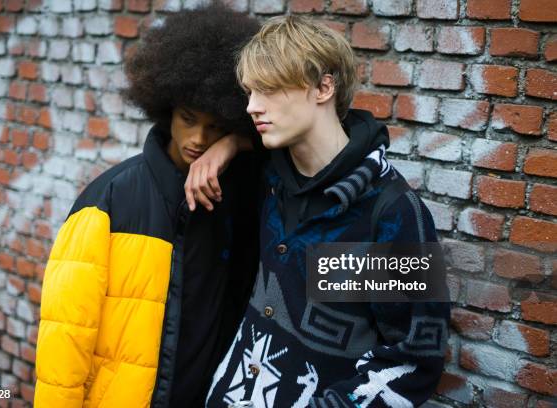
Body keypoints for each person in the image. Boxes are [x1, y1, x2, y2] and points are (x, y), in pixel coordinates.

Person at [186, 15, 450, 408]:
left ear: (324, 87)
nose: (252, 106)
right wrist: (226, 145)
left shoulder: (388, 212)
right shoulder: (269, 180)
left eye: (270, 90)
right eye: (250, 92)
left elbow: (413, 362)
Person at [33, 4, 261, 407]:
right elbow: (65, 338)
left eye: (217, 128)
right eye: (188, 119)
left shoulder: (237, 192)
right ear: (166, 107)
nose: (199, 138)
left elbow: (319, 143)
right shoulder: (109, 201)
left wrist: (235, 145)